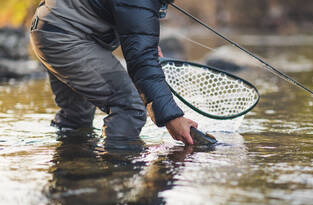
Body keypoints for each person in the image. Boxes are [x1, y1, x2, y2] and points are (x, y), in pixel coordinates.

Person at [30, 0, 198, 148]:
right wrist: (172, 118)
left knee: (77, 117)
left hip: (49, 28)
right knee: (129, 106)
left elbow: (126, 18)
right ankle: (116, 176)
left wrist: (144, 44)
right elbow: (142, 62)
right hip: (66, 38)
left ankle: (72, 173)